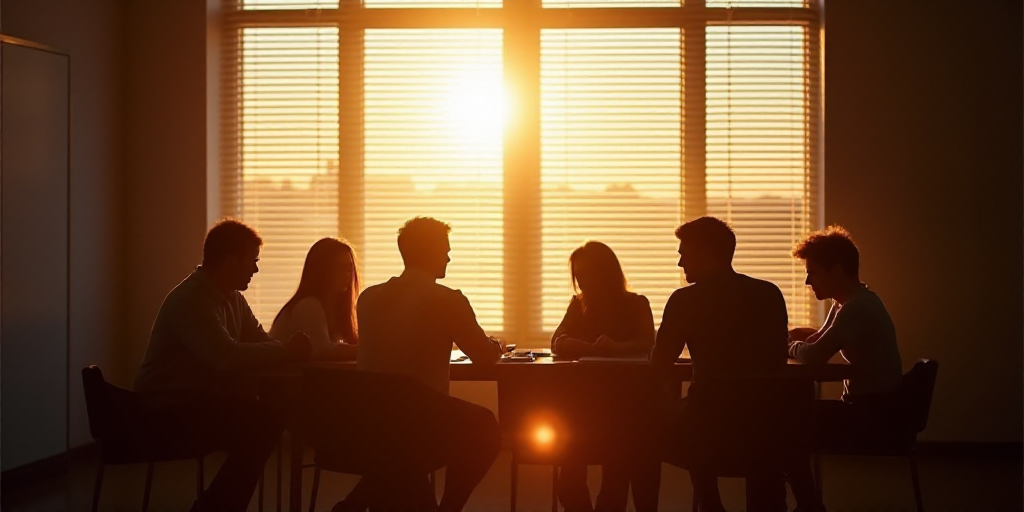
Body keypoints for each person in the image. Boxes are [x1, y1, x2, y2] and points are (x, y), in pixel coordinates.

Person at [326, 217, 504, 512]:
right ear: (432, 252)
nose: (449, 256)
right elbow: (483, 357)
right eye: (445, 249)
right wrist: (496, 345)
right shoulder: (448, 300)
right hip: (420, 423)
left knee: (396, 464)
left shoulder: (369, 298)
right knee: (485, 428)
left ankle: (355, 504)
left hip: (369, 423)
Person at [134, 219, 311, 512]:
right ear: (230, 261)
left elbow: (258, 341)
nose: (256, 269)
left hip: (196, 403)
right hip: (166, 410)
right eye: (252, 261)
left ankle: (215, 507)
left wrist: (281, 351)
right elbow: (227, 357)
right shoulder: (192, 301)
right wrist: (287, 351)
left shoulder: (233, 299)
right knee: (263, 424)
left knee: (266, 420)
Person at [649, 217, 792, 512]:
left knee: (650, 418)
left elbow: (660, 363)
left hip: (706, 421)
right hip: (765, 423)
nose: (680, 263)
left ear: (704, 253)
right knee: (717, 422)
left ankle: (710, 503)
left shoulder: (685, 300)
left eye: (683, 254)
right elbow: (778, 357)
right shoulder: (769, 294)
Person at [785, 226, 903, 512]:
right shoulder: (846, 304)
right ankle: (809, 504)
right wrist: (794, 336)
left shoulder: (856, 309)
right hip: (869, 407)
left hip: (874, 415)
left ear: (836, 270)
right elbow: (817, 341)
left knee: (784, 427)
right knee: (788, 419)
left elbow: (813, 356)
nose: (807, 281)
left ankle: (808, 505)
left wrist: (784, 346)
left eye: (812, 272)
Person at [549, 240, 658, 512]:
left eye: (587, 276)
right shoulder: (579, 305)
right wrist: (578, 345)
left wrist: (618, 348)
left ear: (607, 273)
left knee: (615, 479)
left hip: (623, 405)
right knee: (568, 483)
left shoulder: (635, 304)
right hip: (582, 405)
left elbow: (649, 342)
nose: (582, 283)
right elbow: (557, 340)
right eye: (579, 277)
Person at [270, 237, 360, 361]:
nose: (347, 275)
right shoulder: (308, 306)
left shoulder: (336, 310)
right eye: (339, 268)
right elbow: (321, 350)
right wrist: (366, 349)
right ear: (322, 270)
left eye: (349, 268)